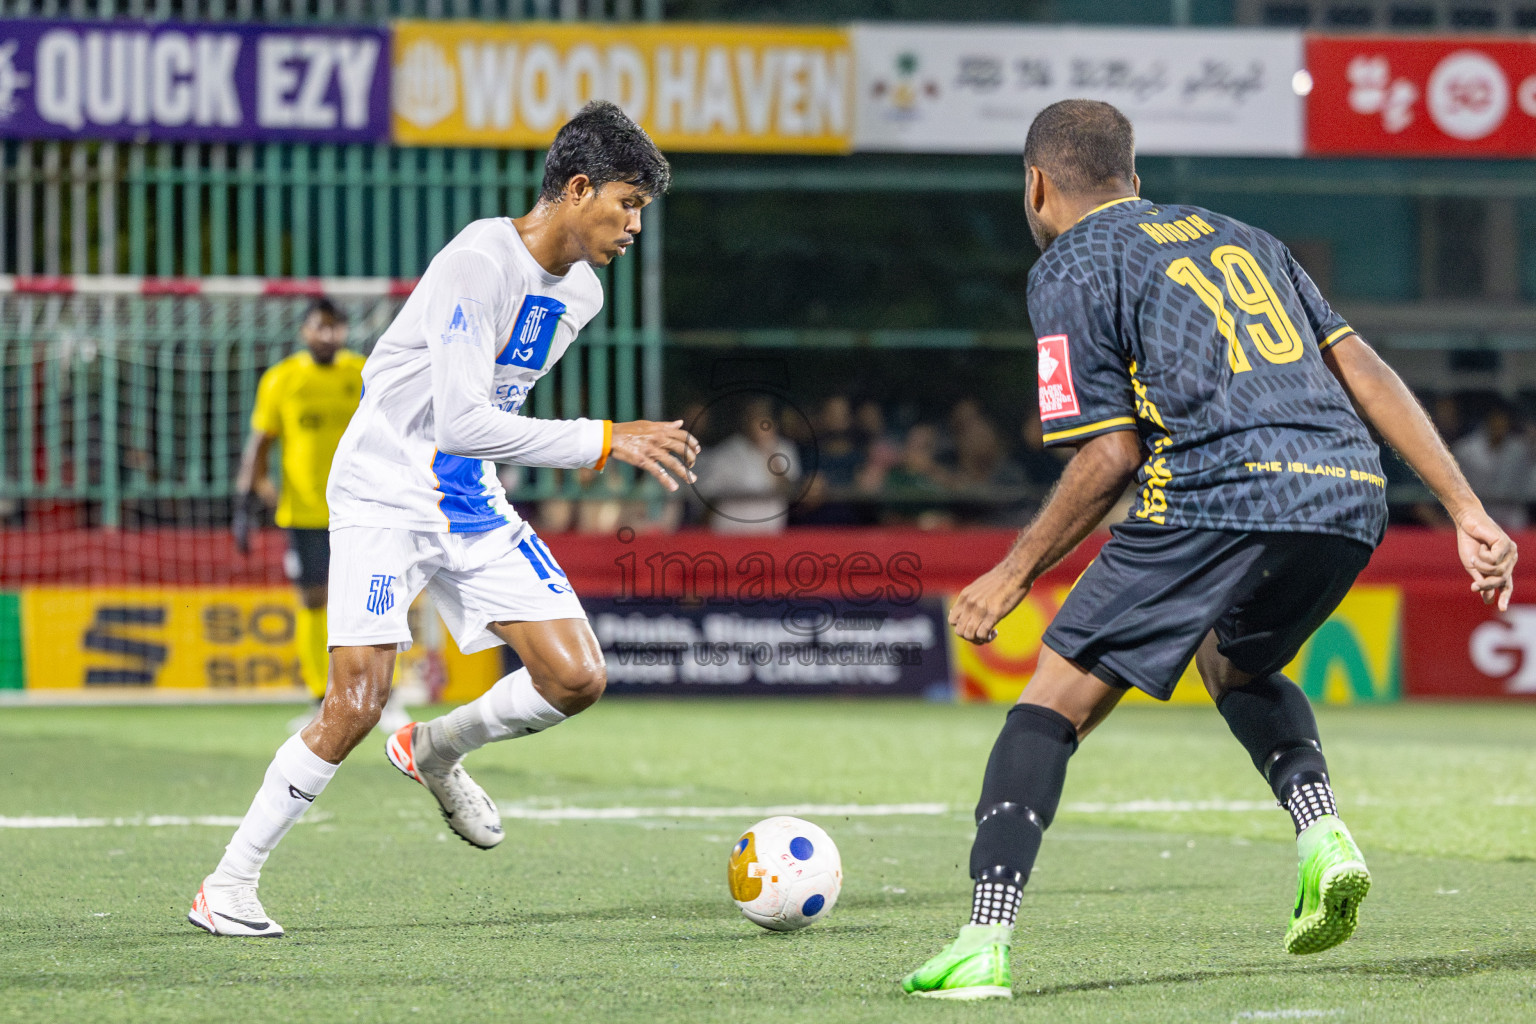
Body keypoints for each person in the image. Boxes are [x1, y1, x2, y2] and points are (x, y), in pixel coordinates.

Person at [902, 99, 1517, 1000]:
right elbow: (1365, 371)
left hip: (1217, 488)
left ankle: (983, 942)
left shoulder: (1071, 262)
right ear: (1134, 178)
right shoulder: (1248, 236)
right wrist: (1465, 507)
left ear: (1036, 185)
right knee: (1234, 662)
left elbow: (1109, 453)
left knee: (1049, 707)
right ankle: (1321, 832)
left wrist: (1010, 571)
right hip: (1348, 490)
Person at [189, 101, 697, 938]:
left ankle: (434, 749)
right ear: (577, 189)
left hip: (466, 495)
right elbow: (460, 418)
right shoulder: (477, 259)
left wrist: (580, 445)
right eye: (628, 203)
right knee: (357, 698)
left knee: (576, 678)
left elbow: (486, 422)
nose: (636, 223)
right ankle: (228, 884)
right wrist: (605, 438)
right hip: (385, 487)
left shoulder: (584, 295)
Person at [234, 299, 415, 731]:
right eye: (320, 327)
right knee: (313, 601)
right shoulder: (283, 379)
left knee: (379, 595)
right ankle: (321, 696)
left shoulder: (363, 372)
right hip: (305, 511)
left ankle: (387, 697)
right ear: (304, 331)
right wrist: (245, 501)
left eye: (335, 328)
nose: (328, 336)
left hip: (366, 506)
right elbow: (261, 442)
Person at [692, 395, 801, 534]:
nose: (759, 422)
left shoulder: (784, 449)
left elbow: (789, 489)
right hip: (730, 534)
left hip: (770, 533)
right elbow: (707, 497)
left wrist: (769, 452)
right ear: (746, 420)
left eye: (764, 416)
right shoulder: (727, 452)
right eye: (754, 416)